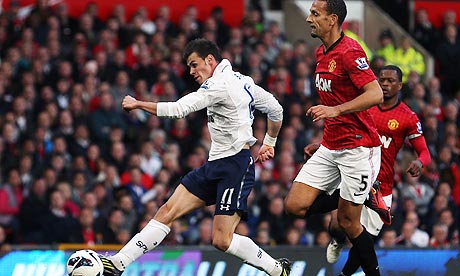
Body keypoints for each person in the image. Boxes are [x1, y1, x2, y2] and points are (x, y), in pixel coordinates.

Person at [99, 38, 290, 276]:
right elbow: (276, 109)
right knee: (167, 211)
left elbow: (179, 109)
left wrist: (138, 104)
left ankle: (276, 269)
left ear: (210, 60)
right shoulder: (243, 80)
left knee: (221, 240)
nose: (191, 72)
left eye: (194, 64)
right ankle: (119, 262)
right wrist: (269, 143)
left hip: (235, 167)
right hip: (215, 165)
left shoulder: (220, 85)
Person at [283, 1, 383, 276]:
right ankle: (360, 196)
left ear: (332, 19)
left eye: (315, 14)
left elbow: (376, 94)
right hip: (331, 144)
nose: (308, 19)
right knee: (294, 206)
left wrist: (335, 110)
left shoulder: (351, 51)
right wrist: (323, 138)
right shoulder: (320, 52)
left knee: (348, 223)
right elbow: (334, 97)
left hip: (359, 147)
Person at [306, 65, 432, 275]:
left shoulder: (407, 117)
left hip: (381, 185)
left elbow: (424, 151)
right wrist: (321, 145)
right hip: (353, 173)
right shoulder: (364, 105)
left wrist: (419, 162)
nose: (385, 84)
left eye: (391, 81)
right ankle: (337, 239)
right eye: (382, 79)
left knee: (362, 240)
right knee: (338, 225)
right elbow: (343, 133)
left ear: (400, 86)